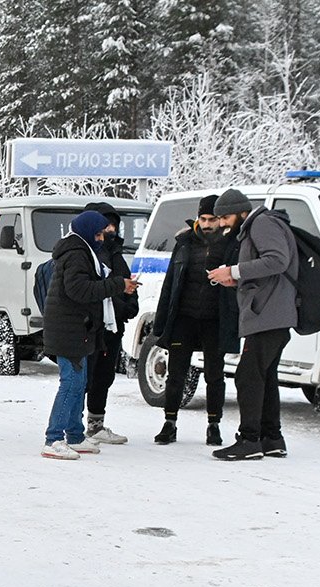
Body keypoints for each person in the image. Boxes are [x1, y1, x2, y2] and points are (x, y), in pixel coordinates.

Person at [207, 188, 297, 461]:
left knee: (248, 376)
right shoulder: (258, 225)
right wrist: (238, 280)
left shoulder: (262, 223)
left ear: (241, 211)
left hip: (269, 314)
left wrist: (234, 271)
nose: (221, 223)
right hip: (270, 312)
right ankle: (271, 438)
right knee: (264, 377)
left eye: (224, 217)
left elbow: (277, 260)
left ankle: (249, 440)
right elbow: (268, 268)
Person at [41, 210, 132, 460]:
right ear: (88, 232)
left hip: (78, 328)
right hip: (68, 329)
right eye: (99, 234)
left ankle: (75, 435)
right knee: (70, 384)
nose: (102, 239)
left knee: (79, 383)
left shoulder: (83, 252)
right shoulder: (77, 254)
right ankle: (53, 438)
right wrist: (117, 284)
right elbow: (78, 290)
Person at [152, 194, 240, 446]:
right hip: (184, 318)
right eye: (203, 219)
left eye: (212, 219)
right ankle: (169, 423)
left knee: (214, 375)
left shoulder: (230, 245)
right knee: (176, 374)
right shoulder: (184, 242)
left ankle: (214, 425)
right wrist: (161, 324)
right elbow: (170, 283)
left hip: (215, 319)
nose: (207, 224)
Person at [82, 202, 138, 445]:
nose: (111, 229)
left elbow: (124, 282)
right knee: (84, 378)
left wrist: (130, 303)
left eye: (114, 223)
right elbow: (93, 290)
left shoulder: (115, 252)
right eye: (106, 223)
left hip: (113, 327)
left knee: (104, 378)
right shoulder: (85, 252)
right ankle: (72, 425)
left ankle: (95, 424)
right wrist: (121, 303)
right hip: (90, 327)